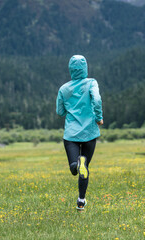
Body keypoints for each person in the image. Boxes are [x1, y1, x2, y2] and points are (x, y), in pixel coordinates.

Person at [56, 55, 103, 211]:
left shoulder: (63, 89)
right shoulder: (91, 83)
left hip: (71, 135)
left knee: (74, 167)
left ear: (70, 70)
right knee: (85, 168)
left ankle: (76, 164)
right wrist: (99, 117)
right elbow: (96, 99)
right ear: (85, 68)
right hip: (89, 132)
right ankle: (81, 201)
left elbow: (60, 111)